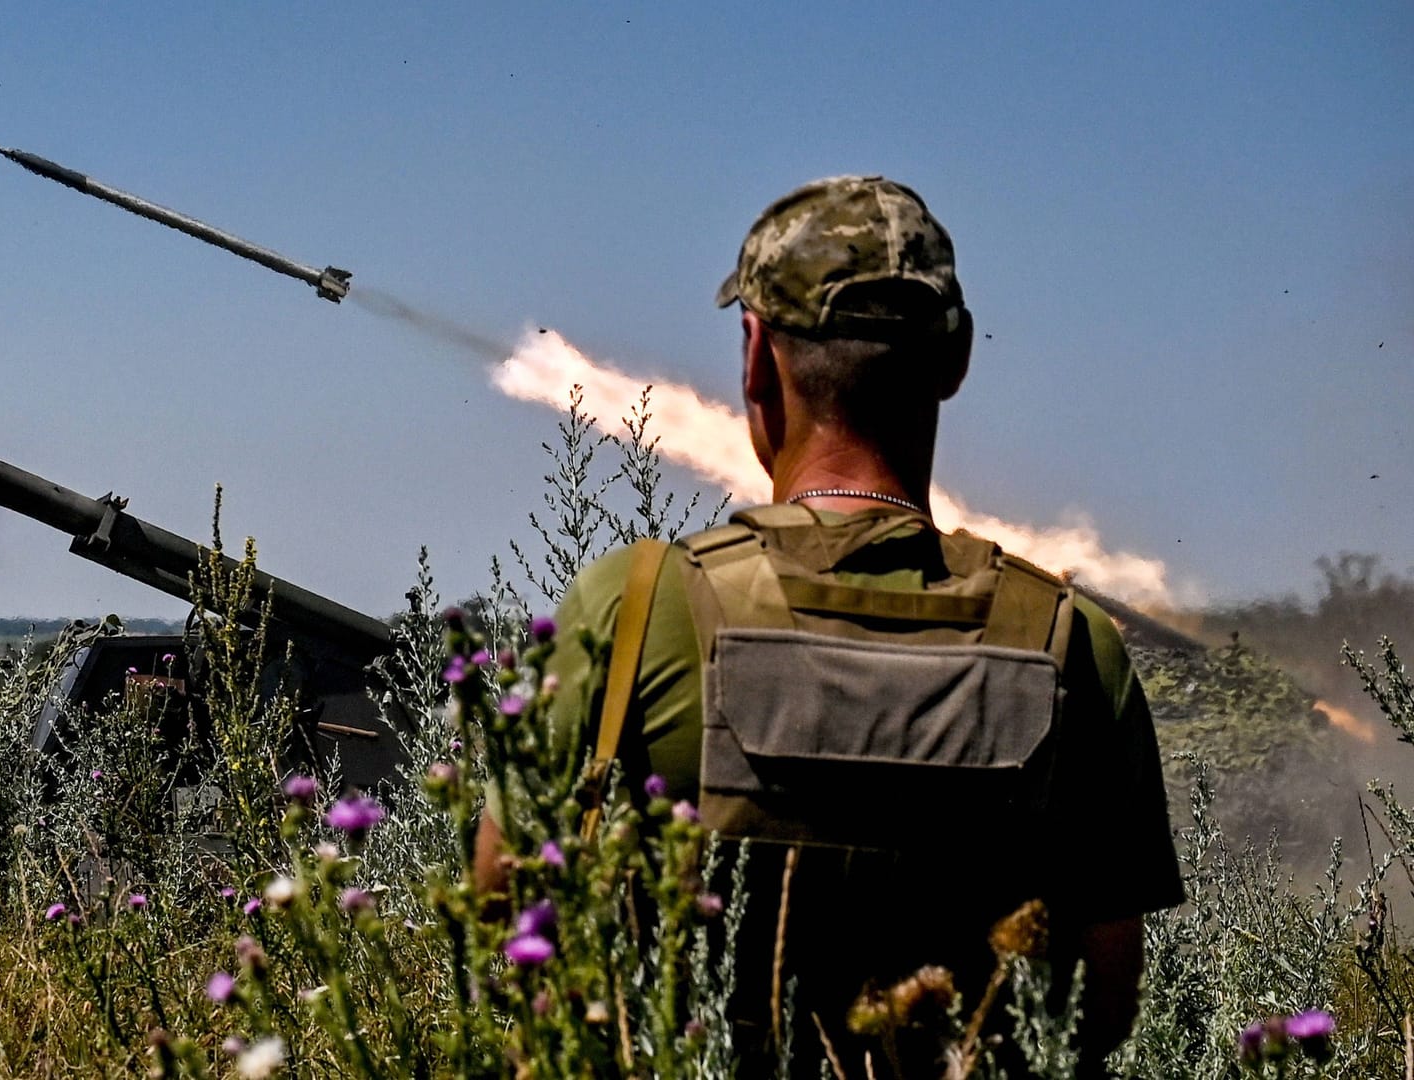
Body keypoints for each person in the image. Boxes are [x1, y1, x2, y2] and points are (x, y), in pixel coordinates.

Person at [476, 176, 1183, 1077]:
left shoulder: (639, 608)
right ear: (956, 359)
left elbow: (502, 925)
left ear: (755, 352)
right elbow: (1103, 1003)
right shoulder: (1072, 644)